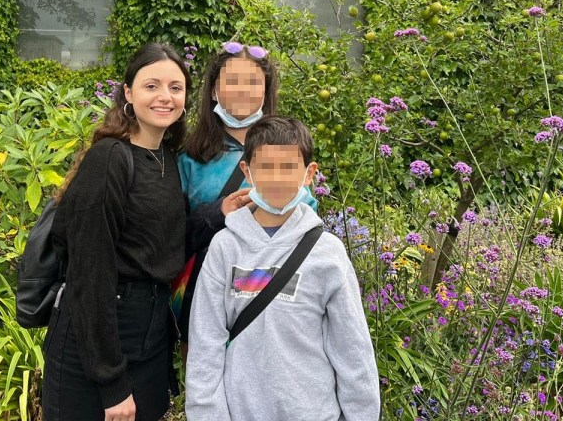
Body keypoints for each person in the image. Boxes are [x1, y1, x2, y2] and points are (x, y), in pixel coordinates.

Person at [185, 116, 380, 421]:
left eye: (288, 167)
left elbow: (352, 348)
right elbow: (205, 344)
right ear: (247, 171)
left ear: (309, 173)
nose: (277, 179)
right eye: (266, 167)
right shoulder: (225, 247)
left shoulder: (328, 253)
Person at [42, 42, 191, 421]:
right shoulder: (109, 159)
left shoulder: (167, 159)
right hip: (97, 344)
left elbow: (163, 242)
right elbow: (89, 273)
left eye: (175, 87)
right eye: (151, 86)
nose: (165, 96)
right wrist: (111, 383)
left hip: (151, 337)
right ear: (128, 93)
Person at [174, 42, 315, 344]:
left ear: (266, 91)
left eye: (253, 82)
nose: (243, 90)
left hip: (272, 292)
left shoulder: (286, 147)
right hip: (204, 291)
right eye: (233, 81)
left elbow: (309, 218)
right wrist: (216, 213)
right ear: (214, 90)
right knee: (205, 365)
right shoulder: (191, 159)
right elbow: (172, 236)